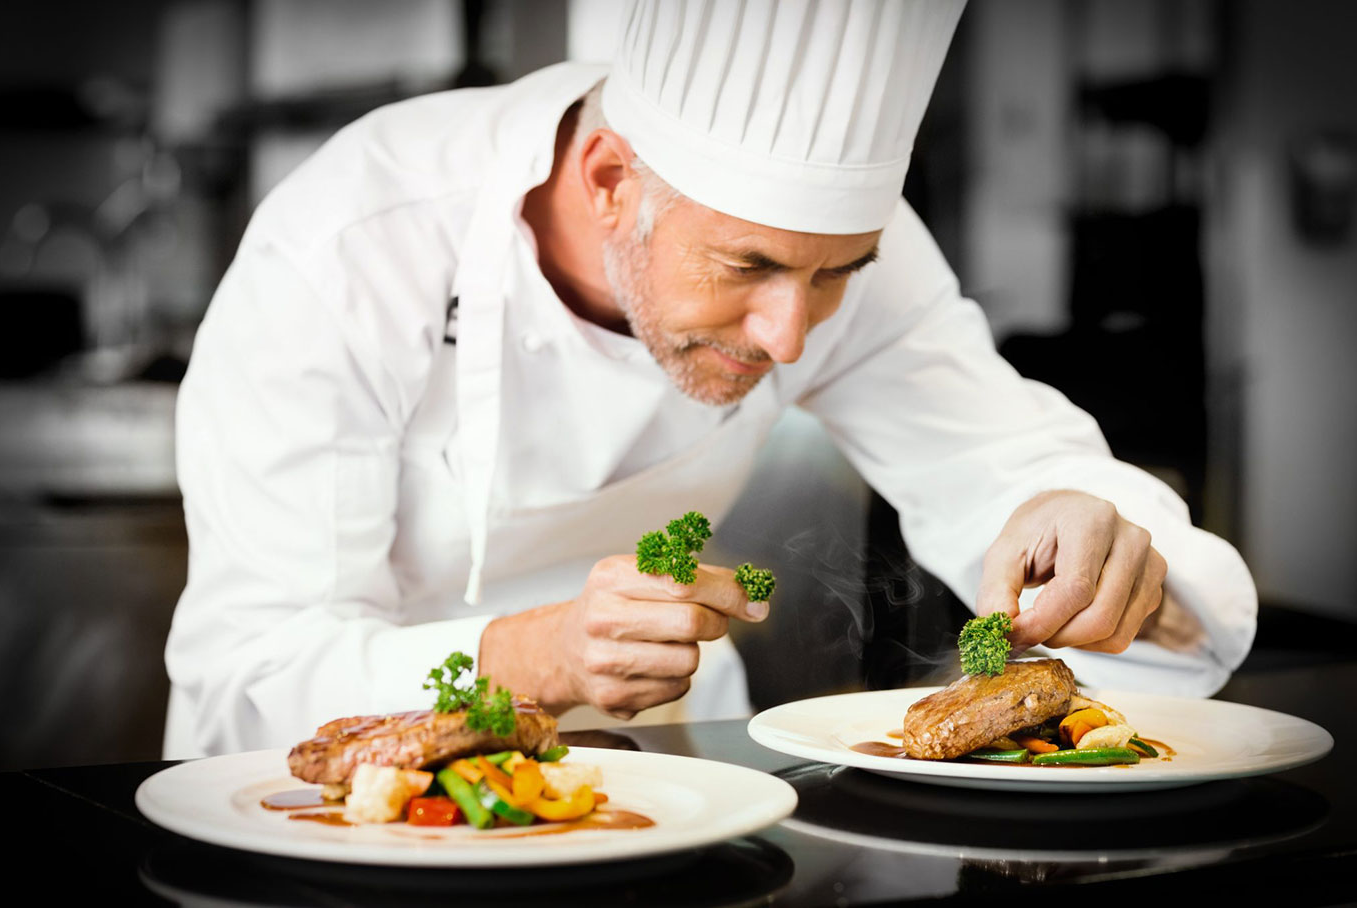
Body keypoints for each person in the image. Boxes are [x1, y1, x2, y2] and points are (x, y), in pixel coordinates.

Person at [163, 0, 1256, 758]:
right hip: (351, 812)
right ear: (606, 181)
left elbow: (1000, 458)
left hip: (673, 783)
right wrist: (535, 654)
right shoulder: (354, 240)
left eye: (836, 273)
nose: (790, 332)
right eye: (748, 266)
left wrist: (1076, 520)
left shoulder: (835, 253)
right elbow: (248, 673)